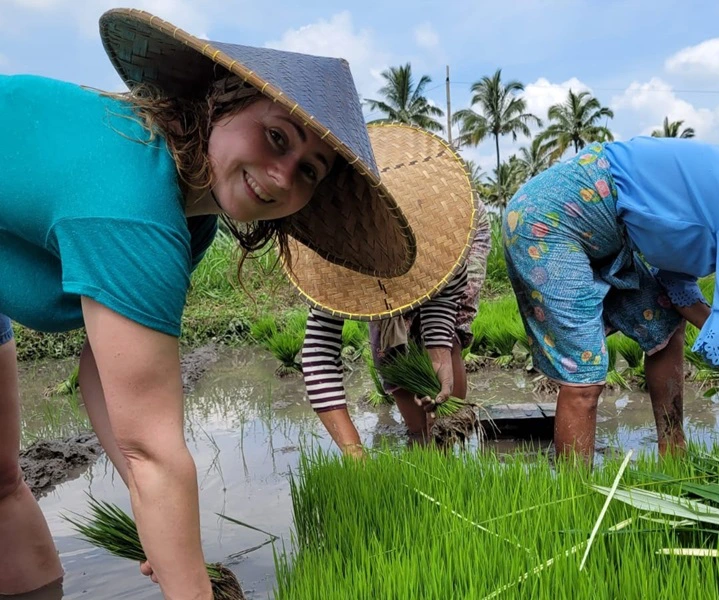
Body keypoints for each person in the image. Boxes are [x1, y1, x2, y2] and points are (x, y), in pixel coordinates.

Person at [0, 8, 416, 599]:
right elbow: (151, 450)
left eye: (309, 171)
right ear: (220, 103)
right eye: (276, 137)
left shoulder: (189, 215)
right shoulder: (132, 204)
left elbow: (105, 365)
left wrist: (155, 519)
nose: (281, 177)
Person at [503, 136, 719, 463]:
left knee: (664, 324)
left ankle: (673, 457)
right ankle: (575, 489)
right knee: (585, 374)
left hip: (607, 230)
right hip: (549, 217)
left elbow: (679, 290)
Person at [290, 123, 488, 455]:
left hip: (453, 225)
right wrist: (354, 452)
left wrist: (439, 353)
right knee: (390, 345)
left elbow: (443, 298)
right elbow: (320, 351)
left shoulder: (445, 233)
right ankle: (421, 437)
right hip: (377, 247)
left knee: (446, 337)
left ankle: (448, 437)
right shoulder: (332, 249)